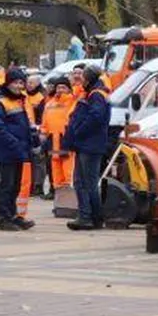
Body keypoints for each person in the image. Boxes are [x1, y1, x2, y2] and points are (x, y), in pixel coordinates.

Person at [0, 71, 38, 230]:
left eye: (21, 83)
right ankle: (3, 219)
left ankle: (13, 215)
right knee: (6, 186)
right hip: (6, 151)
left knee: (15, 185)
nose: (19, 86)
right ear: (8, 83)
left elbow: (23, 124)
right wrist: (14, 143)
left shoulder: (19, 101)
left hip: (19, 150)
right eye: (15, 83)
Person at [62, 66, 111, 230]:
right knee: (88, 182)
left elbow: (95, 117)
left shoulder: (96, 95)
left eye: (83, 77)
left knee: (83, 182)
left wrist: (79, 130)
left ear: (89, 79)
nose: (80, 80)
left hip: (89, 144)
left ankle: (86, 216)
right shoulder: (95, 93)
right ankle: (94, 217)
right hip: (90, 144)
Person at [41, 79, 76, 199]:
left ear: (69, 89)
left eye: (63, 87)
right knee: (55, 169)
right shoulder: (49, 104)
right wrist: (43, 134)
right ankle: (59, 194)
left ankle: (69, 195)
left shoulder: (73, 101)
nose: (60, 90)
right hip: (53, 141)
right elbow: (44, 123)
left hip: (66, 140)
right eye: (58, 87)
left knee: (68, 167)